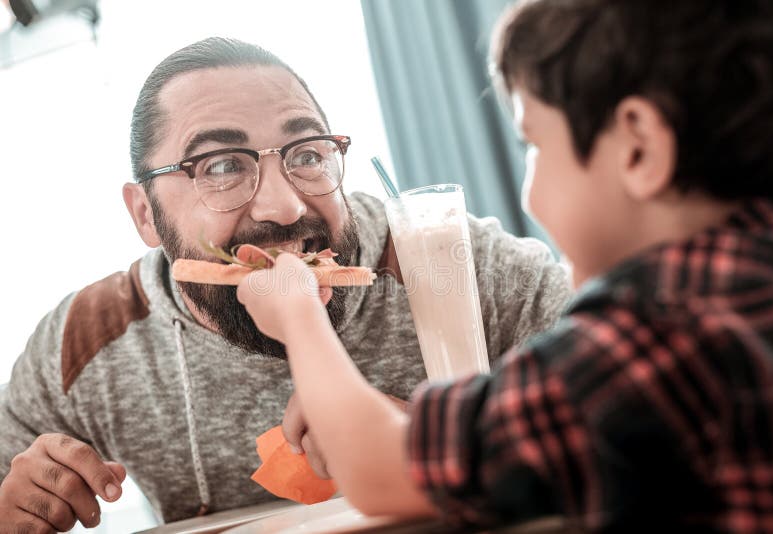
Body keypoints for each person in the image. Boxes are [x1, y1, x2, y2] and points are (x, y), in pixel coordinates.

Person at [235, 0, 773, 531]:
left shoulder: (656, 331)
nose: (530, 194)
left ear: (639, 148)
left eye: (533, 144)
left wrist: (299, 316)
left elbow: (380, 471)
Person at [0, 37, 570, 531]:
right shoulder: (88, 338)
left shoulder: (455, 261)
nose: (284, 204)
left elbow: (633, 417)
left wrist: (446, 435)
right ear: (145, 214)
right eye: (221, 165)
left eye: (306, 154)